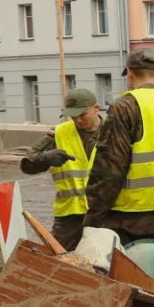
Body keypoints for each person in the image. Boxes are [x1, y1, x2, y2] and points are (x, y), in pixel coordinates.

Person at [84, 48, 154, 247]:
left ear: (129, 73)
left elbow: (110, 167)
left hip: (130, 222)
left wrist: (93, 217)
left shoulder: (126, 107)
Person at [19, 88, 102, 250]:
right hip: (70, 215)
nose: (78, 120)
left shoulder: (114, 131)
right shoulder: (60, 133)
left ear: (96, 108)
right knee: (57, 257)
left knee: (106, 259)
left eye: (82, 115)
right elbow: (27, 164)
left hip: (105, 210)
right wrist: (45, 158)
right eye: (73, 116)